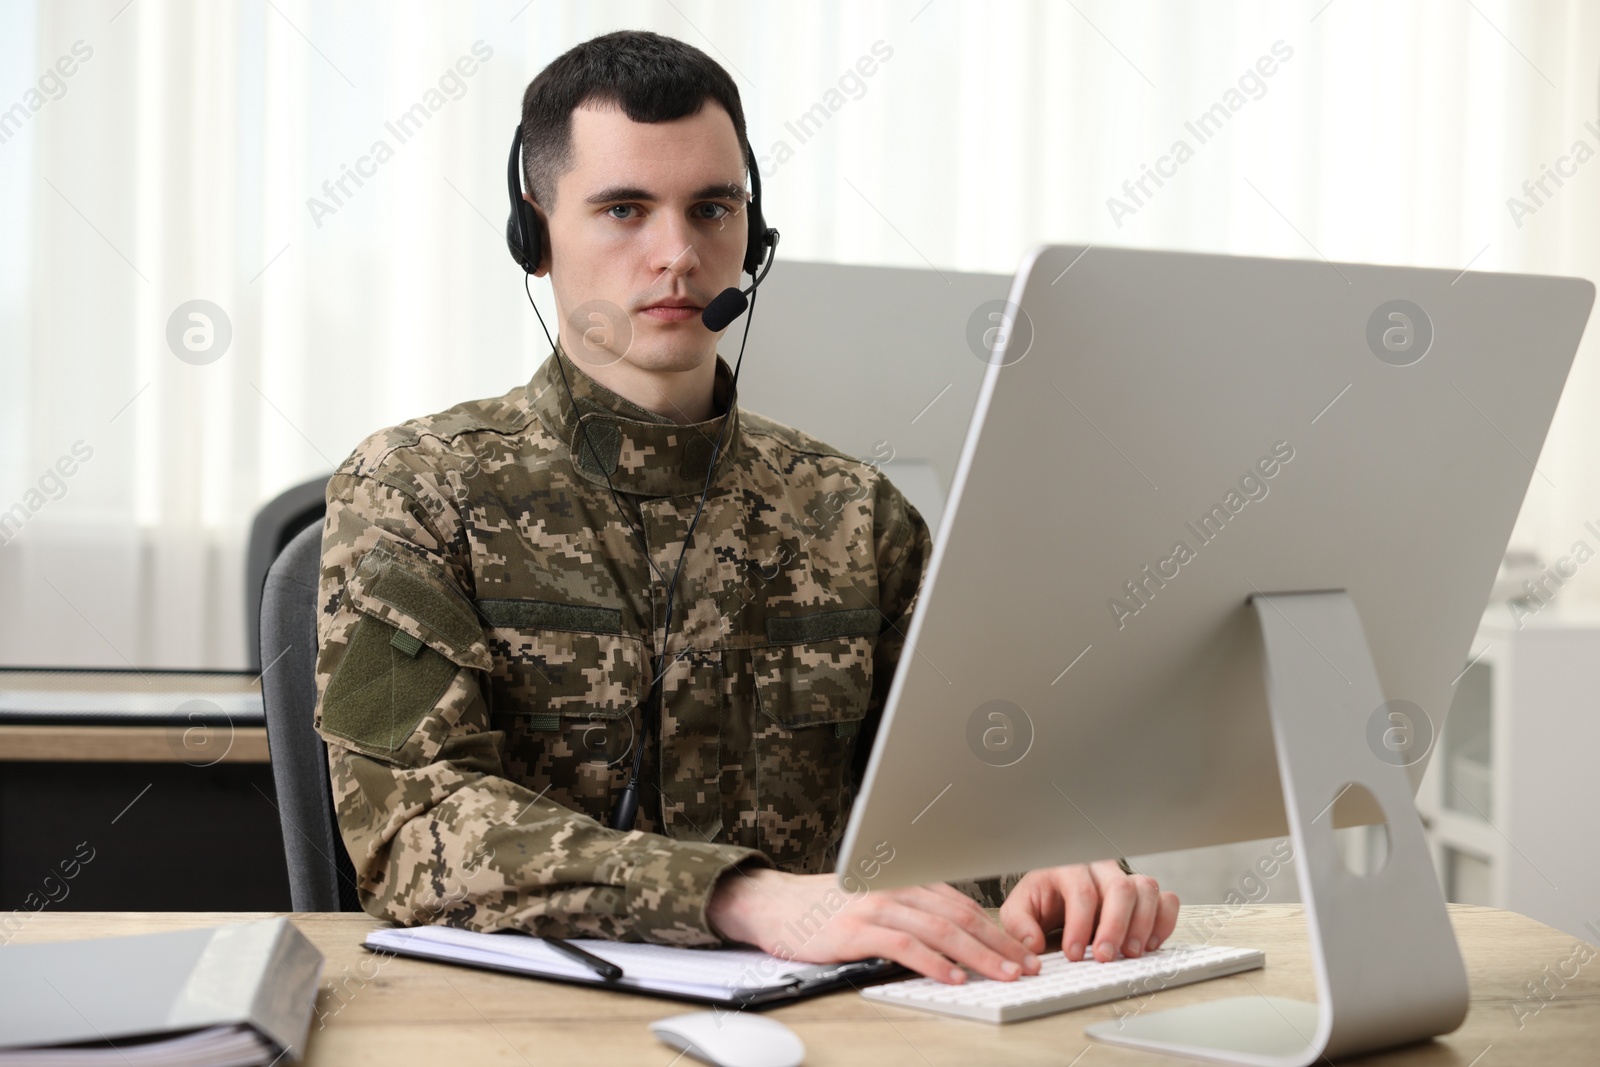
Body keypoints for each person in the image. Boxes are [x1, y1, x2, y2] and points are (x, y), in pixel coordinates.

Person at [312, 28, 1178, 986]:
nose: (678, 255)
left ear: (752, 233)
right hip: (518, 1024)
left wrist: (1055, 856)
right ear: (536, 233)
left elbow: (980, 772)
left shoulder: (857, 514)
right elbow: (409, 822)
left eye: (712, 208)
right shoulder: (412, 489)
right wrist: (745, 896)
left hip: (827, 1026)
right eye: (624, 210)